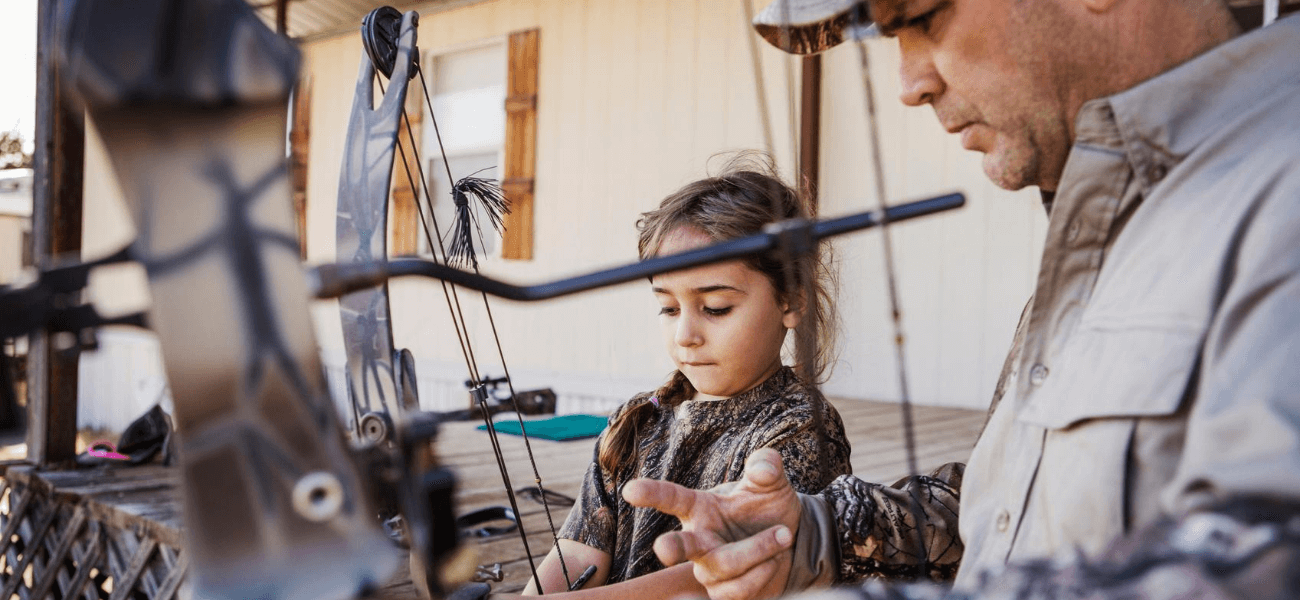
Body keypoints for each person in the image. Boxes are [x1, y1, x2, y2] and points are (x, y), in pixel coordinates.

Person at [624, 0, 1300, 599]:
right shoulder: (1109, 202)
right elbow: (1009, 512)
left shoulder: (1282, 181)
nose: (910, 85)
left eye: (919, 19)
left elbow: (1268, 559)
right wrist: (812, 532)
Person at [521, 158, 854, 598]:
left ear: (790, 300)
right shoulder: (638, 417)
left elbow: (723, 577)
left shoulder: (800, 425)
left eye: (716, 307)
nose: (686, 336)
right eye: (669, 308)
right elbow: (581, 550)